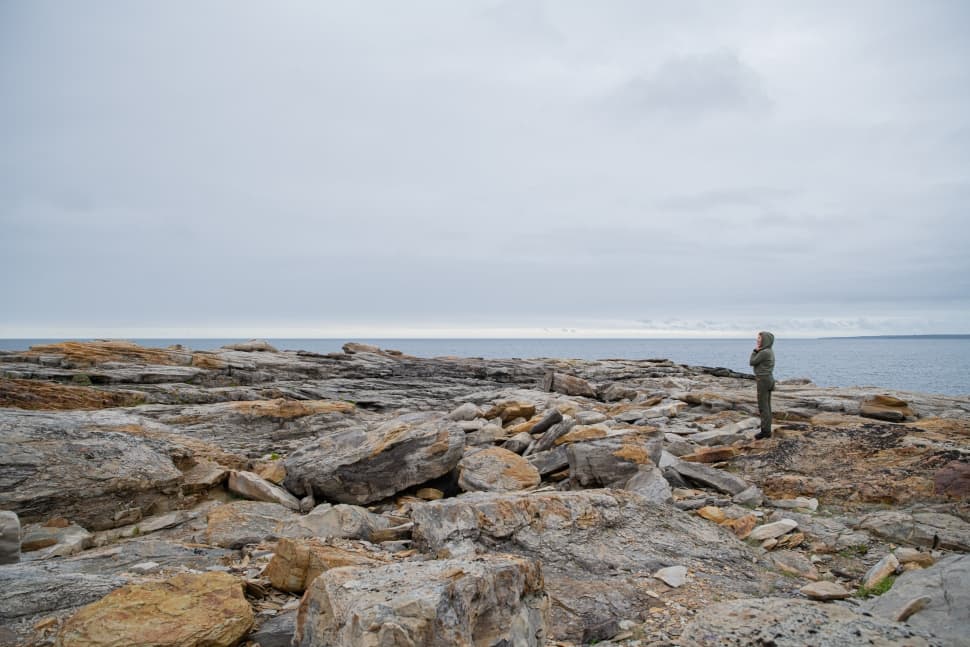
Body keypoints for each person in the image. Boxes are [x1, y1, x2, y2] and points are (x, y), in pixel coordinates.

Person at [749, 331, 775, 439]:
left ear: (765, 340)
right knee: (767, 406)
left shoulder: (764, 352)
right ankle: (767, 429)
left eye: (759, 338)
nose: (757, 340)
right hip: (768, 379)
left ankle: (765, 432)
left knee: (763, 406)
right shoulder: (769, 351)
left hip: (763, 380)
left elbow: (752, 362)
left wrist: (754, 351)